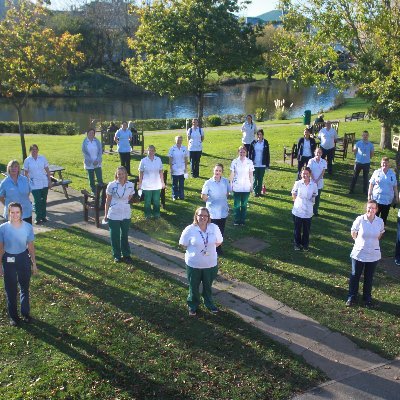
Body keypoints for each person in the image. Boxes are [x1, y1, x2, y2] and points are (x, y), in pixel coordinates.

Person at [179, 207, 223, 316]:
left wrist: (207, 248)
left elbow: (219, 242)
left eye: (205, 215)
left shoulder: (214, 228)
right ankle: (193, 305)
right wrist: (196, 252)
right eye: (200, 215)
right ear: (196, 216)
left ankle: (209, 303)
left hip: (210, 264)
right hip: (194, 264)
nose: (203, 217)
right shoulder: (190, 229)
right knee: (193, 286)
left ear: (208, 217)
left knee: (208, 286)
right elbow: (183, 244)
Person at [0, 202, 38, 326]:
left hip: (23, 258)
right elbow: (1, 248)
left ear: (21, 213)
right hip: (8, 259)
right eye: (12, 212)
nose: (15, 215)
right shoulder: (3, 228)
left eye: (17, 212)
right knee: (10, 289)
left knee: (24, 287)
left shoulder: (27, 227)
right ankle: (14, 317)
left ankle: (25, 313)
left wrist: (34, 264)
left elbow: (31, 247)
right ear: (8, 213)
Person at [346, 200, 384, 308]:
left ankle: (367, 299)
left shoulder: (380, 221)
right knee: (355, 275)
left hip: (373, 254)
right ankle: (351, 297)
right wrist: (359, 242)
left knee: (369, 277)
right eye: (369, 207)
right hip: (359, 253)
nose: (371, 210)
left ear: (376, 210)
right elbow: (353, 232)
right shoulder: (360, 219)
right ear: (366, 208)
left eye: (373, 208)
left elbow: (380, 234)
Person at [104, 166, 135, 263]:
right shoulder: (111, 185)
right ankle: (117, 255)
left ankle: (126, 254)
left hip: (125, 212)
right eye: (119, 174)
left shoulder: (130, 185)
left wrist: (124, 203)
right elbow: (107, 200)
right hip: (114, 213)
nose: (121, 176)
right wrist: (105, 215)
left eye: (122, 174)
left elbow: (129, 197)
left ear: (126, 174)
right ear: (116, 175)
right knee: (115, 235)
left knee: (124, 235)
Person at [201, 164, 230, 255]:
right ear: (213, 170)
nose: (218, 172)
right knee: (211, 231)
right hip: (212, 212)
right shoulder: (208, 183)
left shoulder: (225, 181)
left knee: (220, 231)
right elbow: (203, 196)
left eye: (220, 171)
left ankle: (218, 247)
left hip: (222, 211)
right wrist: (210, 201)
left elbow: (227, 193)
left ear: (222, 172)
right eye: (216, 170)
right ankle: (210, 248)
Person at [23, 144, 52, 225]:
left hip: (44, 182)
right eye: (32, 150)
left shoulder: (42, 158)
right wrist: (27, 183)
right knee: (37, 200)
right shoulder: (27, 160)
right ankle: (38, 217)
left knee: (43, 200)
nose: (34, 151)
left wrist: (49, 181)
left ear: (38, 150)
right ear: (30, 151)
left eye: (36, 149)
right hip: (34, 183)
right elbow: (25, 173)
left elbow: (47, 170)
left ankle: (43, 216)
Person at [291, 167, 318, 251]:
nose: (305, 175)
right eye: (303, 173)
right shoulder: (298, 183)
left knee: (306, 229)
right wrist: (296, 201)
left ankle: (305, 244)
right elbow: (293, 193)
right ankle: (297, 244)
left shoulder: (313, 185)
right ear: (300, 174)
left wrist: (312, 202)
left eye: (307, 173)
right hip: (298, 209)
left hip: (308, 210)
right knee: (297, 228)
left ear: (309, 174)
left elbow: (314, 194)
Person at [0, 160, 32, 224]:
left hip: (26, 211)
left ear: (18, 169)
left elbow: (28, 192)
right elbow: (1, 197)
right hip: (12, 214)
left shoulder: (25, 179)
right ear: (8, 168)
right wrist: (9, 206)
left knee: (27, 232)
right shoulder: (5, 182)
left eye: (16, 166)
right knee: (13, 233)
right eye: (11, 166)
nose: (13, 168)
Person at [368, 157, 399, 225]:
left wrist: (397, 197)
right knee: (374, 215)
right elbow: (371, 184)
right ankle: (372, 228)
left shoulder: (392, 174)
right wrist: (369, 195)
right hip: (377, 199)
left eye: (386, 164)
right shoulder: (376, 172)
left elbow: (395, 186)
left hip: (387, 200)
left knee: (384, 217)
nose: (385, 165)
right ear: (381, 164)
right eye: (383, 163)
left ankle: (381, 230)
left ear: (389, 164)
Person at [138, 145, 165, 219]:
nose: (151, 152)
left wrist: (162, 182)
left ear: (155, 151)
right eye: (149, 150)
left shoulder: (158, 159)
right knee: (147, 201)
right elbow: (141, 172)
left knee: (156, 201)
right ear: (147, 151)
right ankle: (147, 215)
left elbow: (161, 171)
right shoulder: (143, 160)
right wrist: (140, 183)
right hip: (146, 185)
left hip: (156, 184)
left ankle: (156, 214)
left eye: (152, 150)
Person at [230, 146, 254, 226]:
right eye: (240, 152)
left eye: (243, 152)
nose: (242, 153)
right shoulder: (234, 162)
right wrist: (231, 185)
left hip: (246, 187)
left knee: (244, 205)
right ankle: (237, 220)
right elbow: (232, 174)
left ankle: (242, 220)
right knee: (236, 204)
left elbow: (251, 174)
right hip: (237, 186)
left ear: (246, 153)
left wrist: (251, 185)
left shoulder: (249, 162)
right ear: (238, 152)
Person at [248, 128, 270, 197]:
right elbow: (250, 153)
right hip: (255, 164)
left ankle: (259, 192)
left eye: (260, 134)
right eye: (258, 134)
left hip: (262, 164)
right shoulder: (254, 142)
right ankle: (255, 191)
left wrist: (267, 164)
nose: (259, 136)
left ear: (263, 135)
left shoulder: (265, 142)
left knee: (260, 179)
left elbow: (267, 154)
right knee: (255, 178)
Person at [82, 128, 103, 194]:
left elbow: (100, 151)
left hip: (97, 162)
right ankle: (94, 192)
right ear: (87, 134)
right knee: (91, 179)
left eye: (93, 133)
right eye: (90, 133)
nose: (91, 134)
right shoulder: (85, 142)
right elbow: (85, 153)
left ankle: (101, 192)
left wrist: (97, 160)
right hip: (89, 163)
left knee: (99, 178)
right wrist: (91, 161)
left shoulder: (97, 141)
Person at [307, 148, 327, 216]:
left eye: (320, 152)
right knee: (310, 196)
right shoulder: (311, 161)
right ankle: (308, 210)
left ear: (322, 153)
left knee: (317, 197)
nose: (318, 154)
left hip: (319, 182)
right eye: (317, 152)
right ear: (314, 153)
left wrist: (317, 180)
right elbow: (309, 171)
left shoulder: (324, 161)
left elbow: (323, 172)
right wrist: (314, 180)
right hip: (311, 181)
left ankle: (315, 211)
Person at [168, 135, 188, 201]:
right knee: (175, 184)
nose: (179, 141)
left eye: (180, 140)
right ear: (175, 140)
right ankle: (175, 196)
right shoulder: (172, 149)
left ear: (182, 141)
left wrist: (186, 168)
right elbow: (170, 159)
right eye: (178, 140)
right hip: (175, 168)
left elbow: (186, 158)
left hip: (182, 169)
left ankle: (181, 196)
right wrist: (171, 168)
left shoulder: (184, 148)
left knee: (181, 184)